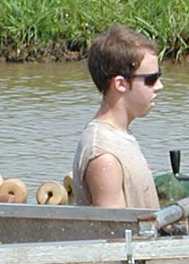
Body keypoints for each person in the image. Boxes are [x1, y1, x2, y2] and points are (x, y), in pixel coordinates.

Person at [70, 26, 163, 210]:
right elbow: (114, 232)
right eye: (151, 79)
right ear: (120, 84)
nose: (159, 86)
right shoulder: (104, 156)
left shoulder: (120, 136)